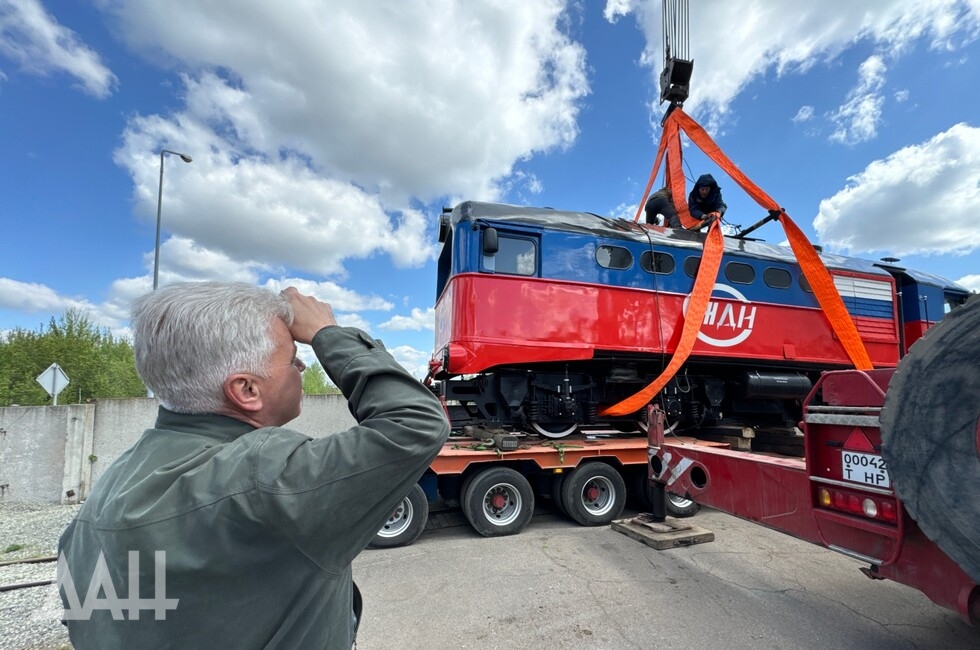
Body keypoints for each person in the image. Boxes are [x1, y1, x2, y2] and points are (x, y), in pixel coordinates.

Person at [57, 282, 450, 649]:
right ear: (246, 390)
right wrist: (328, 334)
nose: (301, 370)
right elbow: (417, 424)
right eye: (294, 359)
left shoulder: (110, 489)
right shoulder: (266, 476)